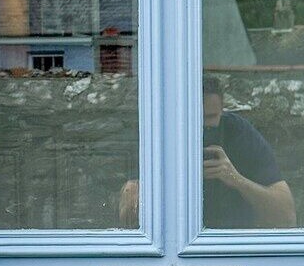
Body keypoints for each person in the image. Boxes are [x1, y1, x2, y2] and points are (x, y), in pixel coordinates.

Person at [117, 79, 295, 228]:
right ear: (177, 113)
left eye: (210, 118)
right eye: (194, 120)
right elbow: (124, 219)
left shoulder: (238, 133)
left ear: (222, 110)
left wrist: (236, 179)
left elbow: (287, 218)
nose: (201, 129)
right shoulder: (160, 134)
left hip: (234, 240)